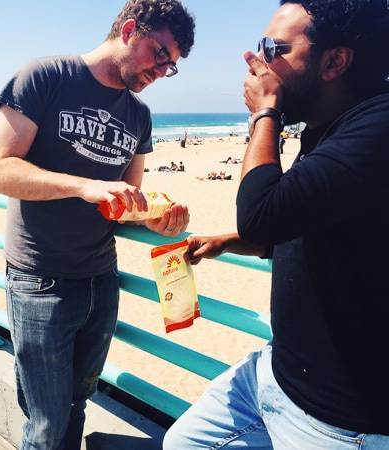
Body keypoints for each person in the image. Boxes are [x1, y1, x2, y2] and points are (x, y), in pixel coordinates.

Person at [164, 1, 389, 448]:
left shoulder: (378, 129)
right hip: (274, 374)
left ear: (335, 62)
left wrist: (264, 113)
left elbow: (261, 213)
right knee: (182, 443)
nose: (258, 60)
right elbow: (306, 221)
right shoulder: (330, 127)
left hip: (337, 421)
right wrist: (231, 241)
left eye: (274, 47)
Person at [0, 1, 194, 448]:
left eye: (171, 67)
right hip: (39, 279)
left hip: (101, 279)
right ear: (132, 29)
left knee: (78, 404)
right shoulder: (44, 77)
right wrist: (84, 186)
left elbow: (126, 204)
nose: (162, 71)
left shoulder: (139, 115)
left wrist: (160, 217)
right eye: (160, 55)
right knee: (45, 423)